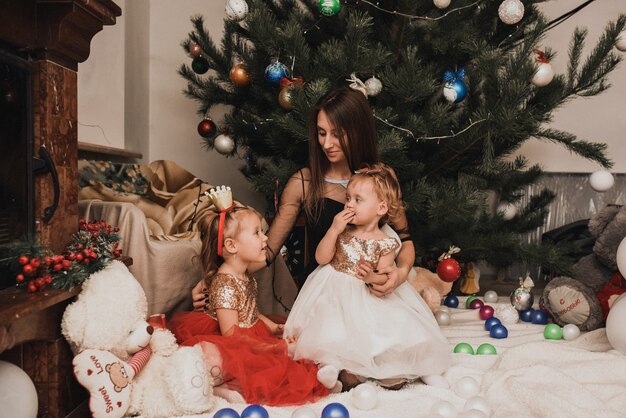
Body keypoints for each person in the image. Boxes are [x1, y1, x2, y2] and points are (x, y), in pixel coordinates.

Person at [191, 86, 415, 308]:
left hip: (376, 297)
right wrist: (217, 280)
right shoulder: (303, 183)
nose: (327, 144)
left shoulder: (381, 177)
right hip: (324, 296)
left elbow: (405, 241)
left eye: (337, 134)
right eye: (321, 133)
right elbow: (267, 253)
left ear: (357, 131)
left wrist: (401, 273)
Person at [283, 163, 451, 390]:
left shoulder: (386, 243)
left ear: (380, 208)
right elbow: (322, 258)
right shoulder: (342, 229)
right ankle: (331, 366)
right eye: (348, 198)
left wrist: (372, 276)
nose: (349, 204)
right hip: (333, 292)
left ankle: (417, 367)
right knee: (331, 328)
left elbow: (385, 278)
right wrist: (333, 230)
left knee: (387, 332)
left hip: (367, 297)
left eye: (357, 200)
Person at [168, 190, 339, 406]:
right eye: (257, 233)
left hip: (247, 332)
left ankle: (319, 374)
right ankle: (229, 386)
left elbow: (250, 313)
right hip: (231, 339)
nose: (265, 237)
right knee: (269, 363)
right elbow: (232, 338)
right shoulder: (225, 283)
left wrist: (272, 328)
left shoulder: (244, 273)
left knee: (287, 344)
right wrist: (276, 347)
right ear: (232, 246)